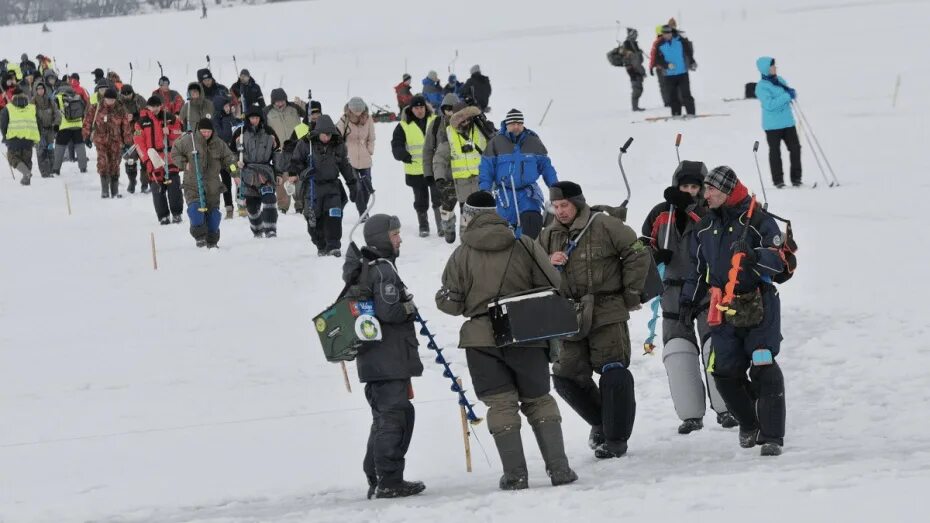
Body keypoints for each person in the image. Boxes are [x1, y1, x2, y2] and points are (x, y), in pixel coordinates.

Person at [435, 191, 578, 490]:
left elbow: (452, 305)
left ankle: (515, 476)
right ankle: (560, 470)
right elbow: (554, 283)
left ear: (470, 215)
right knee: (539, 400)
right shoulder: (523, 244)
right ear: (497, 212)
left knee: (500, 405)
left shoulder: (461, 254)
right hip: (525, 332)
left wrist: (444, 297)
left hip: (481, 341)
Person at [680, 166, 787, 457]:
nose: (707, 194)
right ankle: (749, 423)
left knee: (763, 364)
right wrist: (688, 301)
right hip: (722, 308)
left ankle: (772, 436)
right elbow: (698, 270)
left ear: (727, 192)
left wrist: (754, 256)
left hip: (759, 305)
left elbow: (778, 263)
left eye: (712, 190)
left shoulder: (757, 220)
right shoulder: (704, 227)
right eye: (706, 189)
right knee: (723, 371)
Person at [538, 181, 650, 459]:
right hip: (567, 314)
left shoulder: (604, 224)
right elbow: (534, 269)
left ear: (577, 203)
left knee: (613, 371)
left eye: (565, 205)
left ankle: (616, 438)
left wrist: (631, 293)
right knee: (565, 376)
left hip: (606, 308)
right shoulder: (547, 235)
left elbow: (637, 252)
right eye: (556, 206)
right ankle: (602, 421)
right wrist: (548, 261)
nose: (560, 211)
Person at [641, 161, 738, 433]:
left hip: (707, 288)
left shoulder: (711, 211)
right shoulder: (661, 214)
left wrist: (690, 208)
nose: (690, 191)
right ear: (676, 185)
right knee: (678, 349)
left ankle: (727, 407)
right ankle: (690, 414)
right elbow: (642, 246)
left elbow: (716, 234)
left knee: (714, 346)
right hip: (671, 290)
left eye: (695, 186)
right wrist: (654, 256)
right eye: (685, 186)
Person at [341, 213, 425, 499]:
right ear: (381, 239)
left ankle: (377, 475)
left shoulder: (366, 268)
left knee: (386, 417)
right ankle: (389, 480)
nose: (399, 239)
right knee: (395, 418)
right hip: (388, 358)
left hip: (377, 359)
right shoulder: (383, 271)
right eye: (394, 234)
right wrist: (409, 308)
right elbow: (389, 312)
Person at [478, 109, 557, 240]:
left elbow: (547, 167)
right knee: (506, 228)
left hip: (528, 193)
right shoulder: (496, 142)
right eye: (513, 123)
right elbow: (486, 168)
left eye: (519, 123)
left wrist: (555, 189)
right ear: (507, 124)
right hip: (505, 193)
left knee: (532, 224)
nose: (516, 126)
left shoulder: (533, 141)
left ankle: (530, 250)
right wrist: (484, 190)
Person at [289, 115, 357, 256]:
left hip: (332, 187)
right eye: (324, 134)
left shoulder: (338, 145)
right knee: (313, 219)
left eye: (329, 134)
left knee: (334, 216)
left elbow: (344, 165)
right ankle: (321, 244)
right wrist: (303, 172)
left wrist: (352, 183)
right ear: (318, 132)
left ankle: (333, 246)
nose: (327, 137)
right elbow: (295, 162)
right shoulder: (305, 144)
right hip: (312, 187)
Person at [171, 118, 238, 248]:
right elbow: (174, 154)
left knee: (214, 217)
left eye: (208, 131)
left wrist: (235, 173)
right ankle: (199, 236)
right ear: (198, 130)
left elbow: (230, 160)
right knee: (196, 211)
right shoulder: (187, 141)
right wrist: (185, 164)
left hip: (213, 187)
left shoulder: (219, 144)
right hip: (193, 185)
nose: (206, 134)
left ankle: (212, 242)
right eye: (203, 131)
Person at [432, 105, 487, 241]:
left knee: (485, 215)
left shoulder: (482, 129)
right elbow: (439, 158)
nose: (466, 123)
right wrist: (439, 177)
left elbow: (495, 145)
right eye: (461, 120)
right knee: (466, 218)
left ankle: (484, 241)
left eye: (467, 119)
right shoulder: (449, 134)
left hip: (482, 181)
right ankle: (465, 242)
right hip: (462, 185)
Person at [390, 95, 441, 237]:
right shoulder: (403, 125)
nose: (420, 111)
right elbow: (396, 145)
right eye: (416, 108)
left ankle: (441, 225)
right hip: (415, 169)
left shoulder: (435, 120)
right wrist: (403, 155)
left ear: (426, 107)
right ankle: (423, 225)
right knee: (420, 200)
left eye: (422, 107)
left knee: (438, 198)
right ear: (411, 109)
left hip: (435, 167)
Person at [133, 96, 184, 224]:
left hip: (169, 157)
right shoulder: (141, 122)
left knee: (174, 186)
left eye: (157, 106)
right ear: (148, 107)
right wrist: (146, 160)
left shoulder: (169, 117)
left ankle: (177, 213)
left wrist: (170, 131)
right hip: (153, 158)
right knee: (157, 188)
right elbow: (139, 144)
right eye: (152, 106)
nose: (155, 109)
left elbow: (179, 132)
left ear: (161, 106)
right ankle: (163, 215)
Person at [233, 108, 280, 238]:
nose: (254, 120)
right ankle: (257, 229)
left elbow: (277, 153)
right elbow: (230, 155)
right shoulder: (240, 133)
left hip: (266, 172)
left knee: (269, 198)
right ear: (248, 119)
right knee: (252, 207)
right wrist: (235, 169)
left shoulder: (269, 132)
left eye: (257, 118)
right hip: (247, 173)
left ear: (261, 119)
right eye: (252, 118)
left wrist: (279, 173)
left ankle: (271, 229)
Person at [755, 57, 801, 188]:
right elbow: (769, 104)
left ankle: (796, 178)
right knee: (775, 152)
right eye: (772, 66)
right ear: (765, 69)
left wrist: (792, 93)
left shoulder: (780, 80)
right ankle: (778, 181)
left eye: (774, 66)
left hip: (788, 122)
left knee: (795, 148)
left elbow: (788, 92)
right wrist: (787, 96)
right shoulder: (761, 87)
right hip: (773, 126)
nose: (775, 68)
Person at [423, 93, 462, 237]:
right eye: (447, 109)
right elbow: (427, 149)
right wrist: (428, 173)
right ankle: (446, 228)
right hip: (443, 174)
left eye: (453, 109)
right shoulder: (435, 125)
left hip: (464, 173)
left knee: (467, 207)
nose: (450, 112)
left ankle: (466, 234)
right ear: (443, 109)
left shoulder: (466, 122)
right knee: (444, 206)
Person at [83, 87, 132, 198]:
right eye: (108, 99)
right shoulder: (96, 108)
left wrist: (127, 141)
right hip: (101, 141)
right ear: (104, 98)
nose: (110, 101)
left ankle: (114, 191)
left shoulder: (120, 109)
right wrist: (86, 136)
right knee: (103, 163)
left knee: (115, 165)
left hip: (116, 142)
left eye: (112, 99)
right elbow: (87, 121)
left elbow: (125, 126)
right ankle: (105, 191)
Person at [263, 87, 305, 214]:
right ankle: (282, 205)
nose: (280, 104)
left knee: (297, 175)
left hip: (297, 146)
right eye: (277, 102)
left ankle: (300, 203)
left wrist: (302, 104)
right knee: (281, 177)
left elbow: (308, 115)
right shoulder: (267, 112)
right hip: (279, 149)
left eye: (282, 101)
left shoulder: (294, 108)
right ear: (273, 102)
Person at [336, 97, 376, 217]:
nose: (358, 114)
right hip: (350, 159)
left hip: (365, 158)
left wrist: (369, 150)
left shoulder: (368, 119)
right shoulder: (344, 120)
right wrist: (342, 154)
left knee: (367, 188)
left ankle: (360, 205)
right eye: (355, 111)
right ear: (350, 110)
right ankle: (363, 214)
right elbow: (337, 138)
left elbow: (371, 137)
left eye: (360, 111)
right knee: (357, 187)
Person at [655, 25, 696, 117]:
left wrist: (692, 62)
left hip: (682, 73)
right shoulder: (659, 44)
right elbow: (657, 59)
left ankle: (691, 113)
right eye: (665, 33)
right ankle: (676, 114)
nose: (667, 35)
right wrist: (666, 65)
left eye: (668, 33)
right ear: (662, 34)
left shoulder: (680, 40)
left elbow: (688, 52)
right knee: (673, 96)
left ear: (671, 32)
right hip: (669, 75)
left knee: (686, 94)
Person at [0, 87, 39, 186]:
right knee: (27, 161)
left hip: (13, 139)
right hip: (29, 140)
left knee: (13, 158)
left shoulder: (8, 108)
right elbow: (39, 123)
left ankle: (26, 174)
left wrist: (5, 137)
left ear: (13, 96)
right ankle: (27, 182)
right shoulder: (32, 108)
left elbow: (3, 124)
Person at [213, 93, 242, 218]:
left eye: (229, 106)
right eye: (225, 106)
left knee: (238, 179)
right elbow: (223, 135)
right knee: (226, 183)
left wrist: (241, 122)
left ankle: (242, 204)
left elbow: (239, 130)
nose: (228, 108)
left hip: (235, 156)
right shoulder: (215, 121)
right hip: (222, 158)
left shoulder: (231, 118)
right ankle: (229, 207)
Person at [51, 83, 89, 175]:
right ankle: (83, 167)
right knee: (80, 146)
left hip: (64, 127)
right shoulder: (77, 96)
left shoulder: (58, 97)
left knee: (60, 147)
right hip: (78, 125)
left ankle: (56, 169)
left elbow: (54, 112)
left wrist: (55, 125)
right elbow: (83, 110)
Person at [119, 85, 149, 193]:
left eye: (129, 94)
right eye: (124, 94)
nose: (126, 96)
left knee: (144, 160)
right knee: (130, 161)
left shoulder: (139, 100)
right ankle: (132, 181)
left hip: (141, 134)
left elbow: (147, 114)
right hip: (127, 135)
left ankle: (144, 184)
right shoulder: (118, 102)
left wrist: (134, 116)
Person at [32, 81, 59, 178]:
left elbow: (57, 113)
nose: (40, 90)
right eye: (38, 89)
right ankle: (44, 172)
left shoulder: (50, 100)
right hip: (38, 131)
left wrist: (56, 124)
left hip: (50, 130)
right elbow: (30, 117)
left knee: (50, 149)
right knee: (41, 151)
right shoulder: (33, 101)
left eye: (42, 88)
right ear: (36, 90)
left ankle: (51, 170)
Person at [621, 28, 647, 112]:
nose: (636, 36)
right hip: (632, 70)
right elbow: (628, 59)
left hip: (637, 68)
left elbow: (638, 60)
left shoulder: (634, 44)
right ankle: (635, 107)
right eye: (635, 34)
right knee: (637, 89)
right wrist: (631, 69)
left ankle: (635, 106)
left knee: (639, 88)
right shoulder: (627, 44)